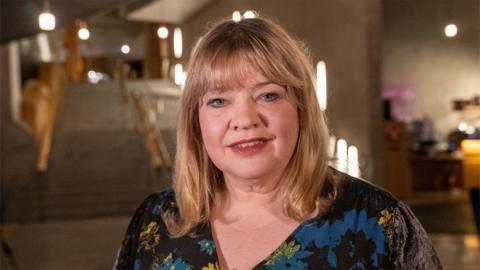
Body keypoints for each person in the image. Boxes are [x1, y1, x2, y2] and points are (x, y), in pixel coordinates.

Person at [114, 16, 442, 270]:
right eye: (218, 101)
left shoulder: (378, 224)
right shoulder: (155, 221)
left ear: (301, 109)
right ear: (194, 121)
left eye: (268, 95)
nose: (244, 119)